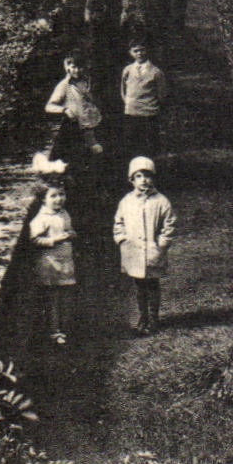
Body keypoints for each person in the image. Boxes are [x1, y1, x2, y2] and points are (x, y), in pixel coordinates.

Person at [113, 156, 176, 335]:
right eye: (139, 176)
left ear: (153, 178)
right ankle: (143, 317)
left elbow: (169, 224)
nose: (144, 180)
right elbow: (119, 222)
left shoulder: (161, 201)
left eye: (147, 176)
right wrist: (122, 239)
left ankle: (154, 318)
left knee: (153, 285)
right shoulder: (126, 201)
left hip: (152, 251)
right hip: (133, 251)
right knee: (139, 287)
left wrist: (162, 244)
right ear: (132, 180)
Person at [28, 183, 77, 345]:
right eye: (53, 196)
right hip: (50, 264)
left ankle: (64, 328)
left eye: (61, 194)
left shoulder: (64, 213)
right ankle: (54, 332)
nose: (59, 199)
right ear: (43, 199)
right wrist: (54, 240)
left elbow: (68, 229)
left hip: (65, 262)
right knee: (52, 299)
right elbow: (34, 239)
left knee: (65, 296)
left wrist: (71, 234)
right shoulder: (41, 218)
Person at [45, 54, 104, 166]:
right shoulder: (64, 85)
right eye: (73, 67)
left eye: (80, 67)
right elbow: (49, 106)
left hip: (92, 123)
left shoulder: (88, 83)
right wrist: (65, 110)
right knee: (74, 158)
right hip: (75, 126)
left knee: (97, 155)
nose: (77, 70)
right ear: (67, 67)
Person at [120, 41, 168, 163]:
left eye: (142, 50)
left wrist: (153, 106)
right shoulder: (127, 70)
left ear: (147, 51)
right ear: (130, 53)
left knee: (149, 143)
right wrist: (129, 103)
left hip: (149, 113)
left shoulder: (156, 72)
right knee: (132, 142)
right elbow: (123, 89)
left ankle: (150, 166)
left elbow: (161, 94)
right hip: (131, 112)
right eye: (135, 51)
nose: (139, 53)